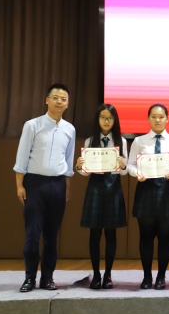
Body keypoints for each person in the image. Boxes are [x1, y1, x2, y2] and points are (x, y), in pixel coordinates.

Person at [14, 83, 76, 292]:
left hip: (58, 184)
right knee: (33, 234)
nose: (59, 101)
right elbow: (22, 156)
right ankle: (29, 278)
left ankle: (47, 278)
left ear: (67, 104)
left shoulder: (70, 129)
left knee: (52, 236)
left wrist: (67, 186)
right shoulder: (33, 125)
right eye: (55, 97)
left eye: (63, 99)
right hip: (34, 184)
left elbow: (68, 161)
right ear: (47, 100)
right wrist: (19, 185)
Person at [128, 104, 169, 290]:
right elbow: (130, 165)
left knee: (165, 236)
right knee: (145, 236)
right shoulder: (139, 141)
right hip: (146, 189)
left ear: (167, 119)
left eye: (161, 117)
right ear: (148, 119)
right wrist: (136, 173)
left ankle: (161, 277)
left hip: (168, 189)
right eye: (153, 116)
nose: (157, 120)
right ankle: (147, 277)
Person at [76, 104, 128, 289]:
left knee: (111, 234)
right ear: (97, 120)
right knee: (95, 233)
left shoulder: (121, 141)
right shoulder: (90, 140)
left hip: (113, 188)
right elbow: (85, 173)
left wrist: (123, 165)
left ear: (115, 121)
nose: (106, 121)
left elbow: (124, 172)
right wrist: (79, 166)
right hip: (95, 189)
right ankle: (96, 274)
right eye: (103, 118)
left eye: (110, 118)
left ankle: (108, 275)